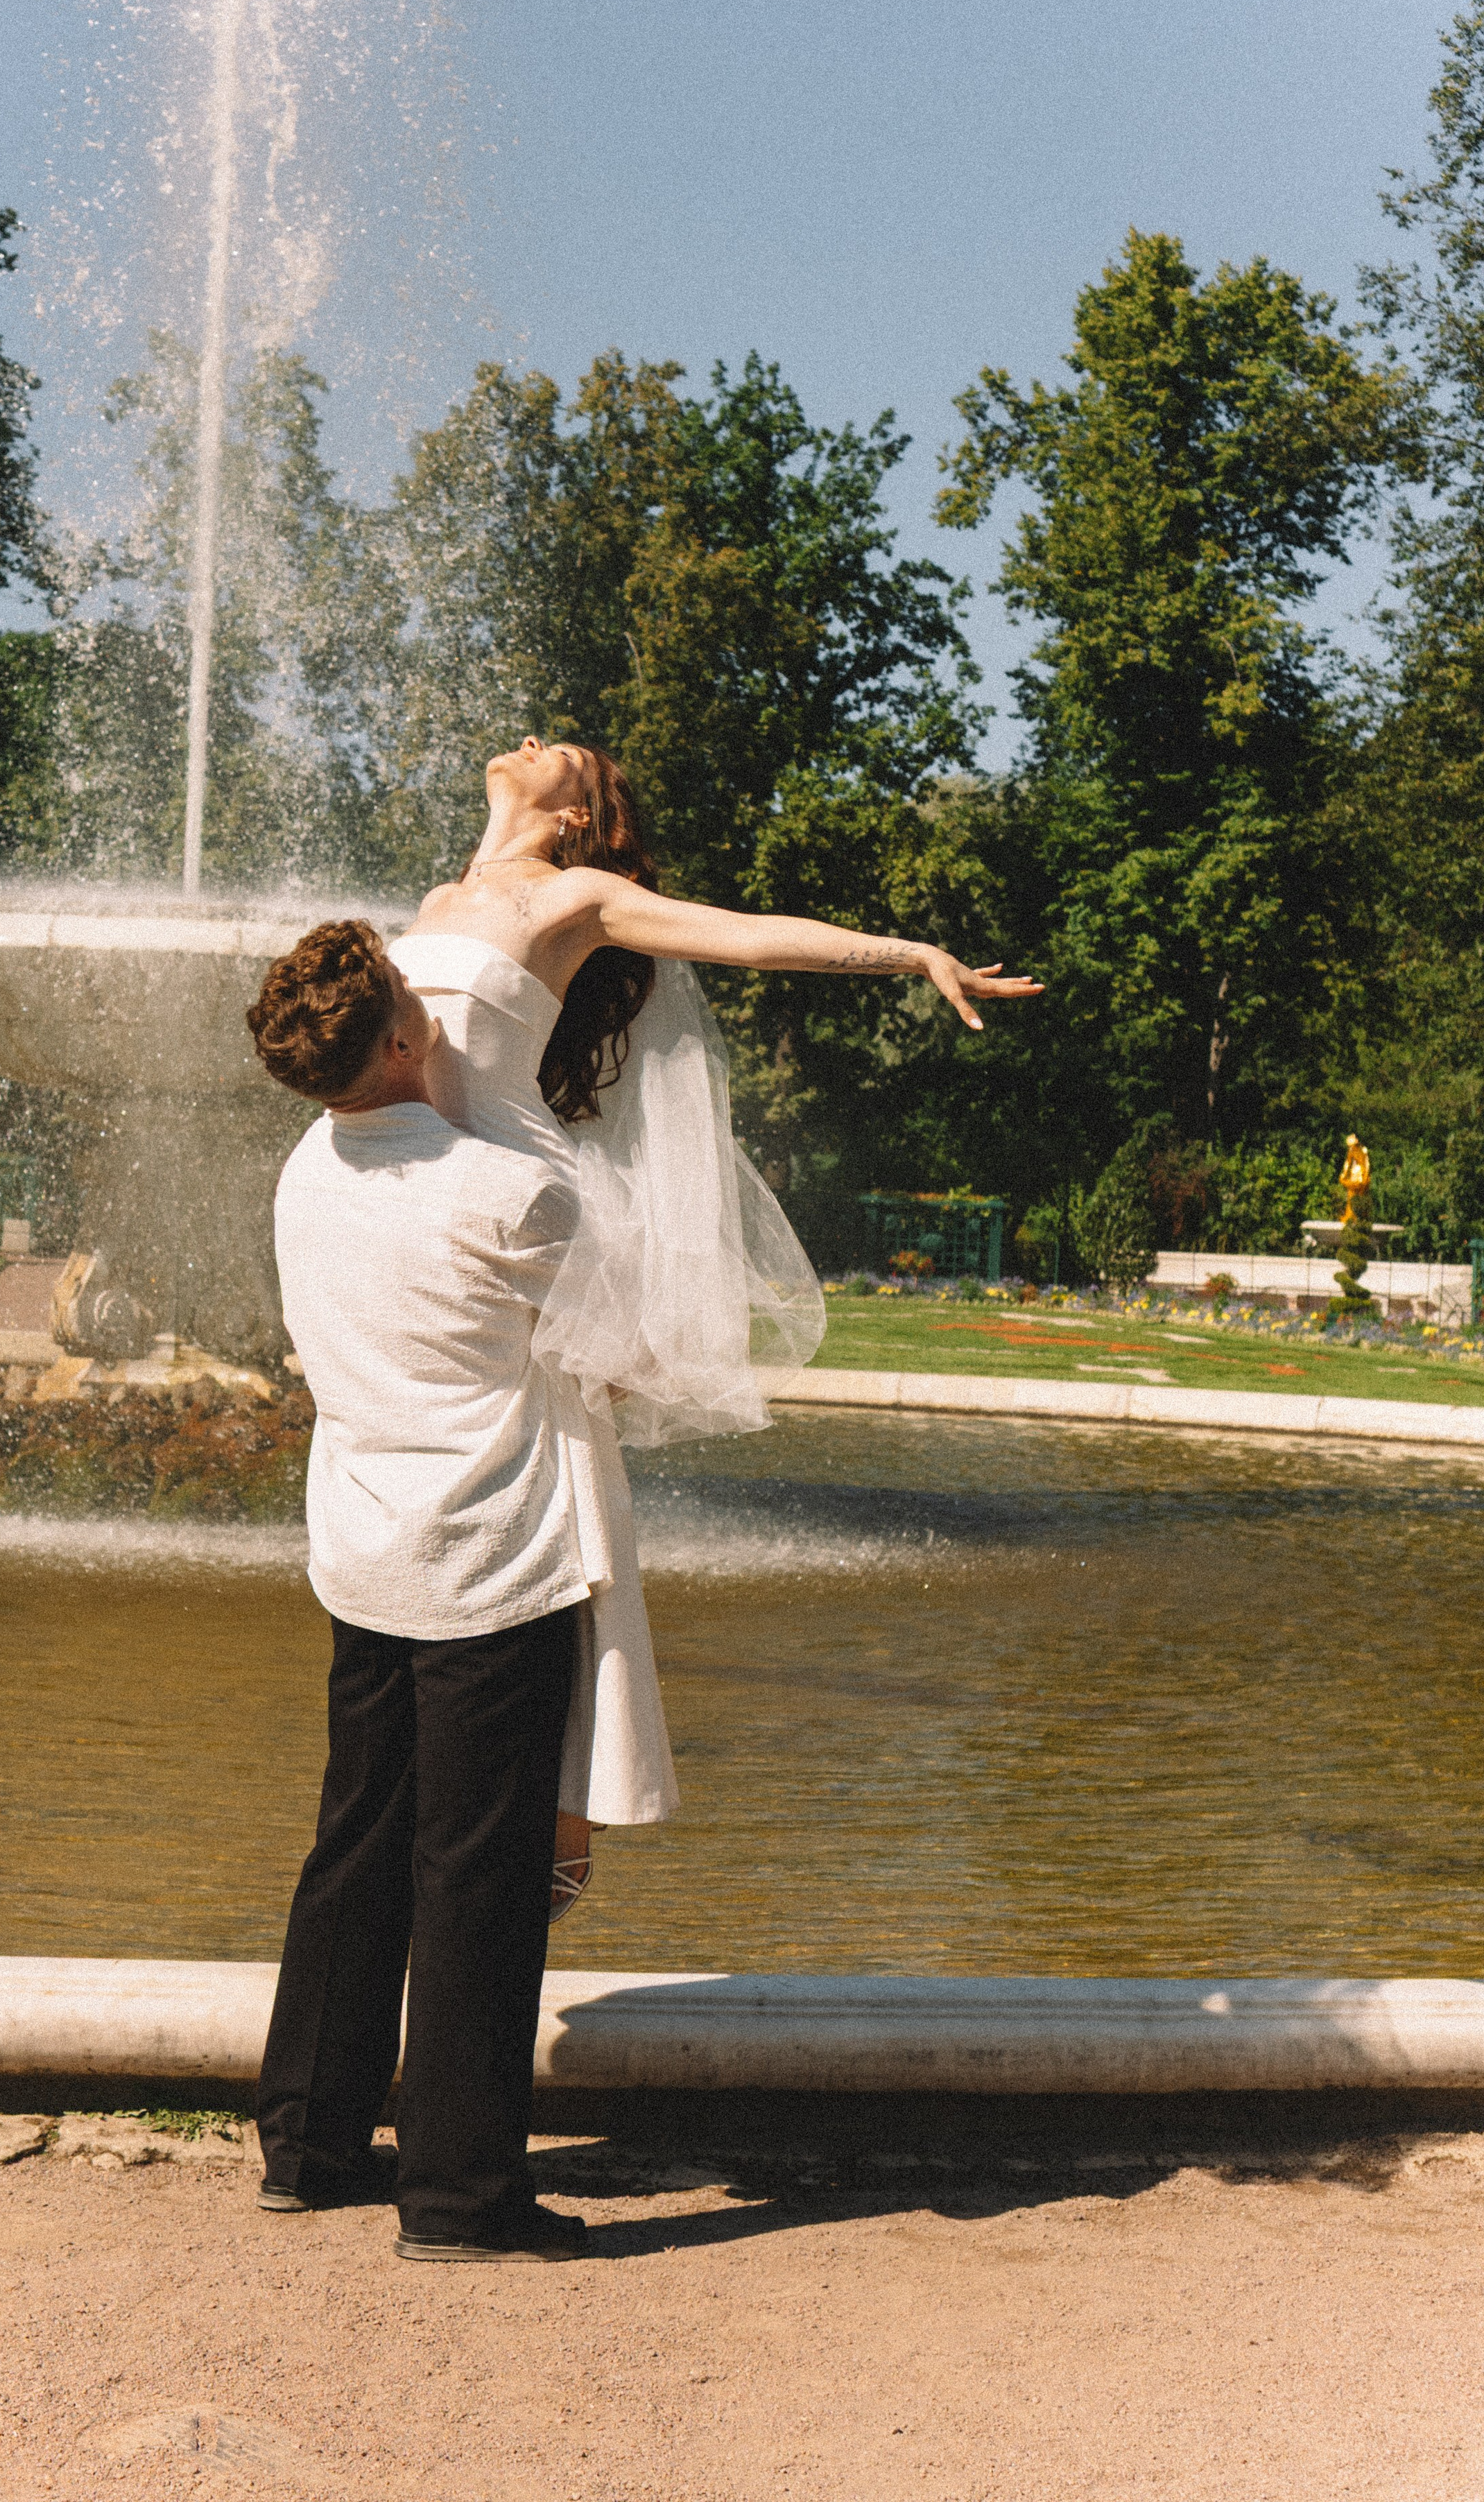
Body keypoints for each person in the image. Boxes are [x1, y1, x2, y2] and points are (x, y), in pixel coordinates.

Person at [391, 738, 1042, 1903]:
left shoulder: (578, 896)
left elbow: (745, 933)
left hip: (520, 1230)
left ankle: (555, 1825)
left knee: (564, 1494)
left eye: (562, 752)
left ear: (580, 813)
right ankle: (468, 1811)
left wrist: (912, 955)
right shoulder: (439, 902)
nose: (533, 740)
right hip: (435, 1244)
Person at [246, 918, 589, 2261]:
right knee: (477, 1874)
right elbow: (607, 1348)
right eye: (417, 1003)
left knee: (355, 1844)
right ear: (396, 1036)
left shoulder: (302, 1171)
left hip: (361, 1544)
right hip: (487, 1559)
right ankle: (458, 2197)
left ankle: (310, 2143)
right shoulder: (504, 1190)